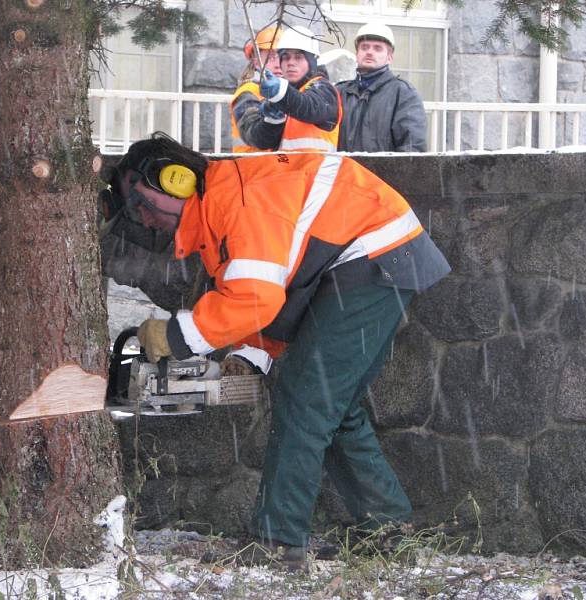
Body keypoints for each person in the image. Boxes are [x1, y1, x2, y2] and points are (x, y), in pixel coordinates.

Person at [101, 133, 450, 570]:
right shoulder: (218, 213)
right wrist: (249, 357)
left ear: (176, 180)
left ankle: (277, 542)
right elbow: (262, 295)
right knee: (332, 406)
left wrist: (173, 338)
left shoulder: (238, 205)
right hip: (364, 258)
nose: (145, 220)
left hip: (374, 252)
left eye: (142, 204)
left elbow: (255, 299)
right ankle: (388, 530)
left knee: (306, 397)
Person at [234, 25, 341, 153]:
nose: (290, 62)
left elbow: (310, 107)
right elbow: (262, 141)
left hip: (318, 172)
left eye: (298, 57)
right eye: (285, 57)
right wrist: (272, 120)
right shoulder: (280, 96)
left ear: (312, 61)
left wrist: (281, 94)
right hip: (287, 171)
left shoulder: (323, 89)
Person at [336, 23, 427, 153]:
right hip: (345, 172)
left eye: (377, 48)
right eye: (364, 47)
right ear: (357, 53)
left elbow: (412, 148)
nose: (369, 52)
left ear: (389, 57)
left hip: (381, 173)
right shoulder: (341, 92)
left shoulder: (403, 94)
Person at [230, 25, 284, 153]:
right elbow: (254, 133)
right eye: (270, 57)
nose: (278, 64)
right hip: (252, 169)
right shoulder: (249, 92)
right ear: (256, 61)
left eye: (282, 57)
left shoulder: (291, 92)